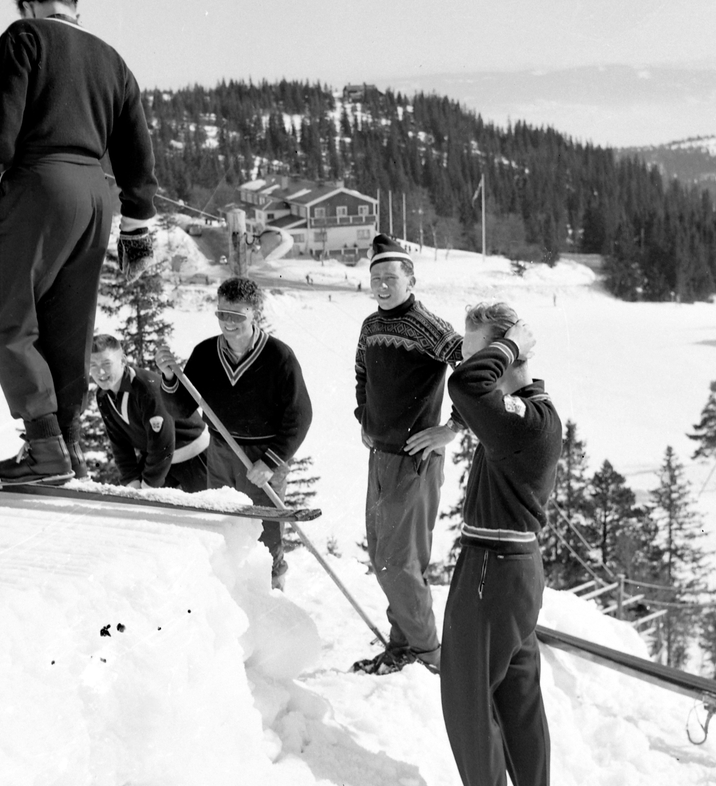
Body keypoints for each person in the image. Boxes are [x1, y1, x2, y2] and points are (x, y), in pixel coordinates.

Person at [0, 0, 158, 484]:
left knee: (7, 318)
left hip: (42, 186)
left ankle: (44, 450)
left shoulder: (24, 38)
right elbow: (137, 150)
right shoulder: (112, 59)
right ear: (75, 10)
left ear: (28, 9)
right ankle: (67, 447)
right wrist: (136, 228)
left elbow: (0, 127)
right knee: (69, 329)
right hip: (96, 196)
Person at [439, 301, 562, 786]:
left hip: (492, 570)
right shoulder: (532, 412)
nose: (469, 359)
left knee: (467, 698)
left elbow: (466, 385)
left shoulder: (523, 422)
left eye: (479, 348)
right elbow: (474, 395)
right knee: (518, 701)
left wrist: (504, 344)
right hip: (514, 569)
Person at [154, 277, 312, 590]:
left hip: (263, 458)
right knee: (222, 520)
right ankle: (229, 589)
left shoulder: (279, 356)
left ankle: (273, 589)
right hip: (221, 451)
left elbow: (300, 416)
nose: (228, 323)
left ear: (255, 313)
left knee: (266, 530)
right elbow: (180, 409)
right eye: (222, 314)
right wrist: (170, 377)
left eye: (237, 316)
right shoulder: (205, 353)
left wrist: (270, 462)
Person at [351, 234, 462, 675]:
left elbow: (475, 374)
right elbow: (361, 372)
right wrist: (366, 417)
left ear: (410, 279)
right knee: (383, 554)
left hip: (415, 461)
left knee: (398, 562)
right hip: (380, 456)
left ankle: (430, 656)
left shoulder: (429, 325)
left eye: (390, 277)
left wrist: (452, 428)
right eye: (375, 277)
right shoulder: (370, 326)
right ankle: (403, 646)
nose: (381, 284)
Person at [89, 334, 210, 491]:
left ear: (123, 360)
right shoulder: (103, 396)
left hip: (193, 455)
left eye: (107, 363)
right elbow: (119, 444)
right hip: (158, 460)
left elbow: (163, 443)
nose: (101, 372)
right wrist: (132, 481)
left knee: (205, 511)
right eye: (93, 365)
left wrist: (148, 485)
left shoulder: (146, 388)